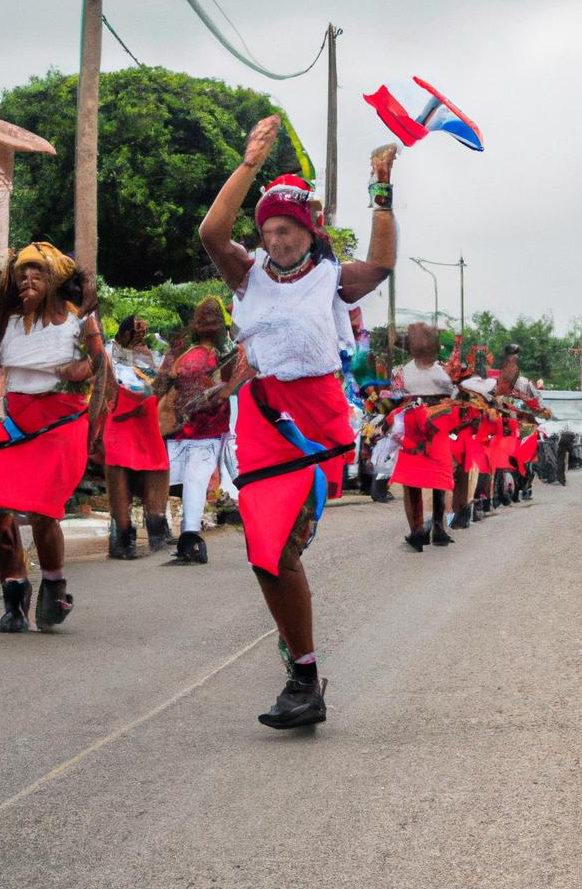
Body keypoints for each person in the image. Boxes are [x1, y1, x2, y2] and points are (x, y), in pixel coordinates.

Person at [200, 115, 397, 729]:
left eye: (289, 229)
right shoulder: (248, 274)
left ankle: (303, 676)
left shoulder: (333, 280)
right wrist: (250, 163)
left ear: (309, 232)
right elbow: (212, 231)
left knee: (280, 550)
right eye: (271, 230)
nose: (279, 240)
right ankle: (303, 676)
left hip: (314, 427)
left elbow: (384, 264)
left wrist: (381, 189)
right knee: (264, 552)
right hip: (258, 422)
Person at [0, 242, 105, 632]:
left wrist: (81, 372)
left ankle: (54, 586)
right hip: (15, 418)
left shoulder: (78, 320)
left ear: (54, 275)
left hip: (61, 421)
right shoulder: (3, 322)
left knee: (43, 509)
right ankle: (14, 592)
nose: (27, 279)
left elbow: (99, 366)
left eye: (35, 271)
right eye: (21, 273)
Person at [154, 297, 235, 565]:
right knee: (193, 481)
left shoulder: (225, 351)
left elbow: (230, 384)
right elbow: (163, 383)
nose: (206, 322)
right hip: (187, 428)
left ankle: (191, 538)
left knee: (199, 480)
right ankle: (190, 538)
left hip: (210, 427)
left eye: (212, 318)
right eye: (203, 317)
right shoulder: (189, 352)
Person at [103, 315, 170, 558]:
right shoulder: (110, 349)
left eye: (144, 328)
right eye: (136, 328)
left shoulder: (149, 351)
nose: (142, 332)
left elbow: (157, 381)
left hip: (146, 418)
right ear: (125, 331)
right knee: (119, 469)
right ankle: (123, 536)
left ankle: (157, 529)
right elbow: (110, 378)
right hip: (120, 416)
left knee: (156, 468)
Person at [389, 322, 459, 550]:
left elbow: (393, 400)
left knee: (413, 482)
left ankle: (418, 531)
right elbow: (454, 400)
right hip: (432, 429)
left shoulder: (401, 372)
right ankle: (436, 528)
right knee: (434, 479)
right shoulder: (442, 373)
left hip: (414, 430)